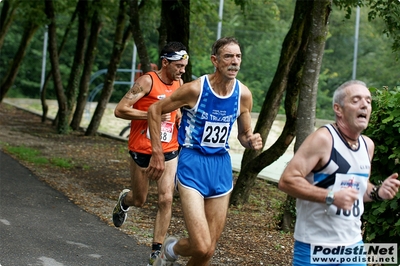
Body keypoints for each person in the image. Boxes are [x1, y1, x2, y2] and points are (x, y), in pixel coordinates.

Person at [146, 37, 263, 266]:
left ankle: (170, 252)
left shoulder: (243, 94)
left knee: (208, 251)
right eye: (228, 56)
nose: (234, 62)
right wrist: (158, 153)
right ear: (215, 61)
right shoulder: (195, 90)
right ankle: (171, 248)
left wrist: (250, 140)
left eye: (238, 56)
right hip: (193, 164)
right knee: (200, 244)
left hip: (221, 166)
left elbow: (243, 134)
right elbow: (154, 110)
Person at [278, 80, 400, 266]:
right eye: (356, 100)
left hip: (352, 245)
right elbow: (287, 181)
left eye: (368, 101)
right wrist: (330, 196)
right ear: (338, 109)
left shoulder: (367, 145)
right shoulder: (323, 139)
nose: (365, 105)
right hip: (314, 246)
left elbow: (357, 189)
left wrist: (377, 192)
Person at [112, 42, 189, 266]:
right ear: (165, 62)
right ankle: (124, 200)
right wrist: (150, 114)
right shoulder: (147, 81)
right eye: (178, 66)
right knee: (140, 199)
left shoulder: (180, 83)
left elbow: (177, 109)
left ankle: (156, 251)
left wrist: (178, 116)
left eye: (184, 66)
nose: (182, 70)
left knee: (166, 198)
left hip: (169, 148)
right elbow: (120, 109)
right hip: (142, 148)